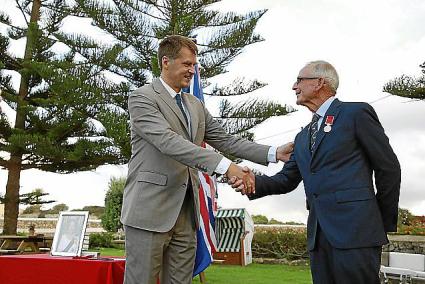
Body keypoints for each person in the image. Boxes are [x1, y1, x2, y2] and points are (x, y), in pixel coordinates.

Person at [120, 35, 293, 284]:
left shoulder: (195, 104)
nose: (192, 70)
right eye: (186, 64)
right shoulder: (142, 98)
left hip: (187, 213)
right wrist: (227, 167)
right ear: (165, 62)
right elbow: (168, 142)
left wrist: (273, 152)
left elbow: (224, 140)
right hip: (149, 213)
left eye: (194, 65)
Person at [230, 60, 401, 284]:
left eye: (300, 80)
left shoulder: (356, 113)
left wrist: (379, 221)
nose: (294, 86)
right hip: (319, 238)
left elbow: (388, 168)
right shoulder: (302, 137)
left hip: (356, 233)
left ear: (320, 82)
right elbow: (285, 180)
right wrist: (252, 181)